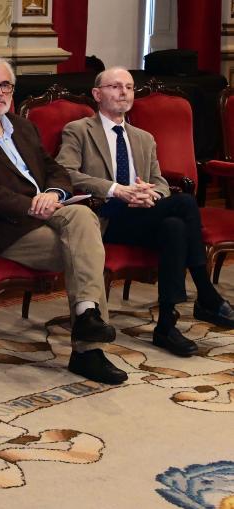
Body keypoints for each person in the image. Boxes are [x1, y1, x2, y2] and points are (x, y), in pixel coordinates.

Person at [0, 56, 126, 384]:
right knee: (86, 247)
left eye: (6, 85)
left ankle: (87, 322)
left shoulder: (23, 127)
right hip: (5, 227)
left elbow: (56, 169)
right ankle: (88, 348)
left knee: (82, 218)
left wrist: (53, 193)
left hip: (51, 212)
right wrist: (29, 206)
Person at [55, 66, 234, 355]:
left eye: (129, 87)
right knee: (186, 203)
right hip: (103, 215)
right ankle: (206, 294)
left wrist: (152, 195)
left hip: (141, 213)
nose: (124, 92)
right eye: (115, 86)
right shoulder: (79, 131)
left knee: (175, 227)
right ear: (97, 94)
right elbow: (66, 173)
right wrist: (117, 189)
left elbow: (159, 181)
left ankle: (166, 325)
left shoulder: (143, 138)